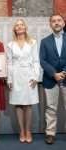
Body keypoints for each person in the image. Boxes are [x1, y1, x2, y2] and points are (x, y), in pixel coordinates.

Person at [6, 19, 40, 143]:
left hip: (29, 75)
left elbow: (36, 60)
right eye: (17, 25)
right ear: (14, 29)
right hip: (15, 75)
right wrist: (9, 79)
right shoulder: (10, 44)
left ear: (25, 27)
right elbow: (9, 63)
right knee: (18, 104)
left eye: (22, 24)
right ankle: (22, 130)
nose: (19, 26)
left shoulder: (32, 42)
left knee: (28, 104)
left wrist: (36, 76)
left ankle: (28, 130)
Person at [40, 14, 66, 144]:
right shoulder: (44, 41)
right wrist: (54, 73)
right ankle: (50, 133)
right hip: (50, 79)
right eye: (53, 21)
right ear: (50, 24)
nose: (56, 23)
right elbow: (43, 61)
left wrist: (64, 72)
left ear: (63, 23)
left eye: (59, 20)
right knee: (51, 108)